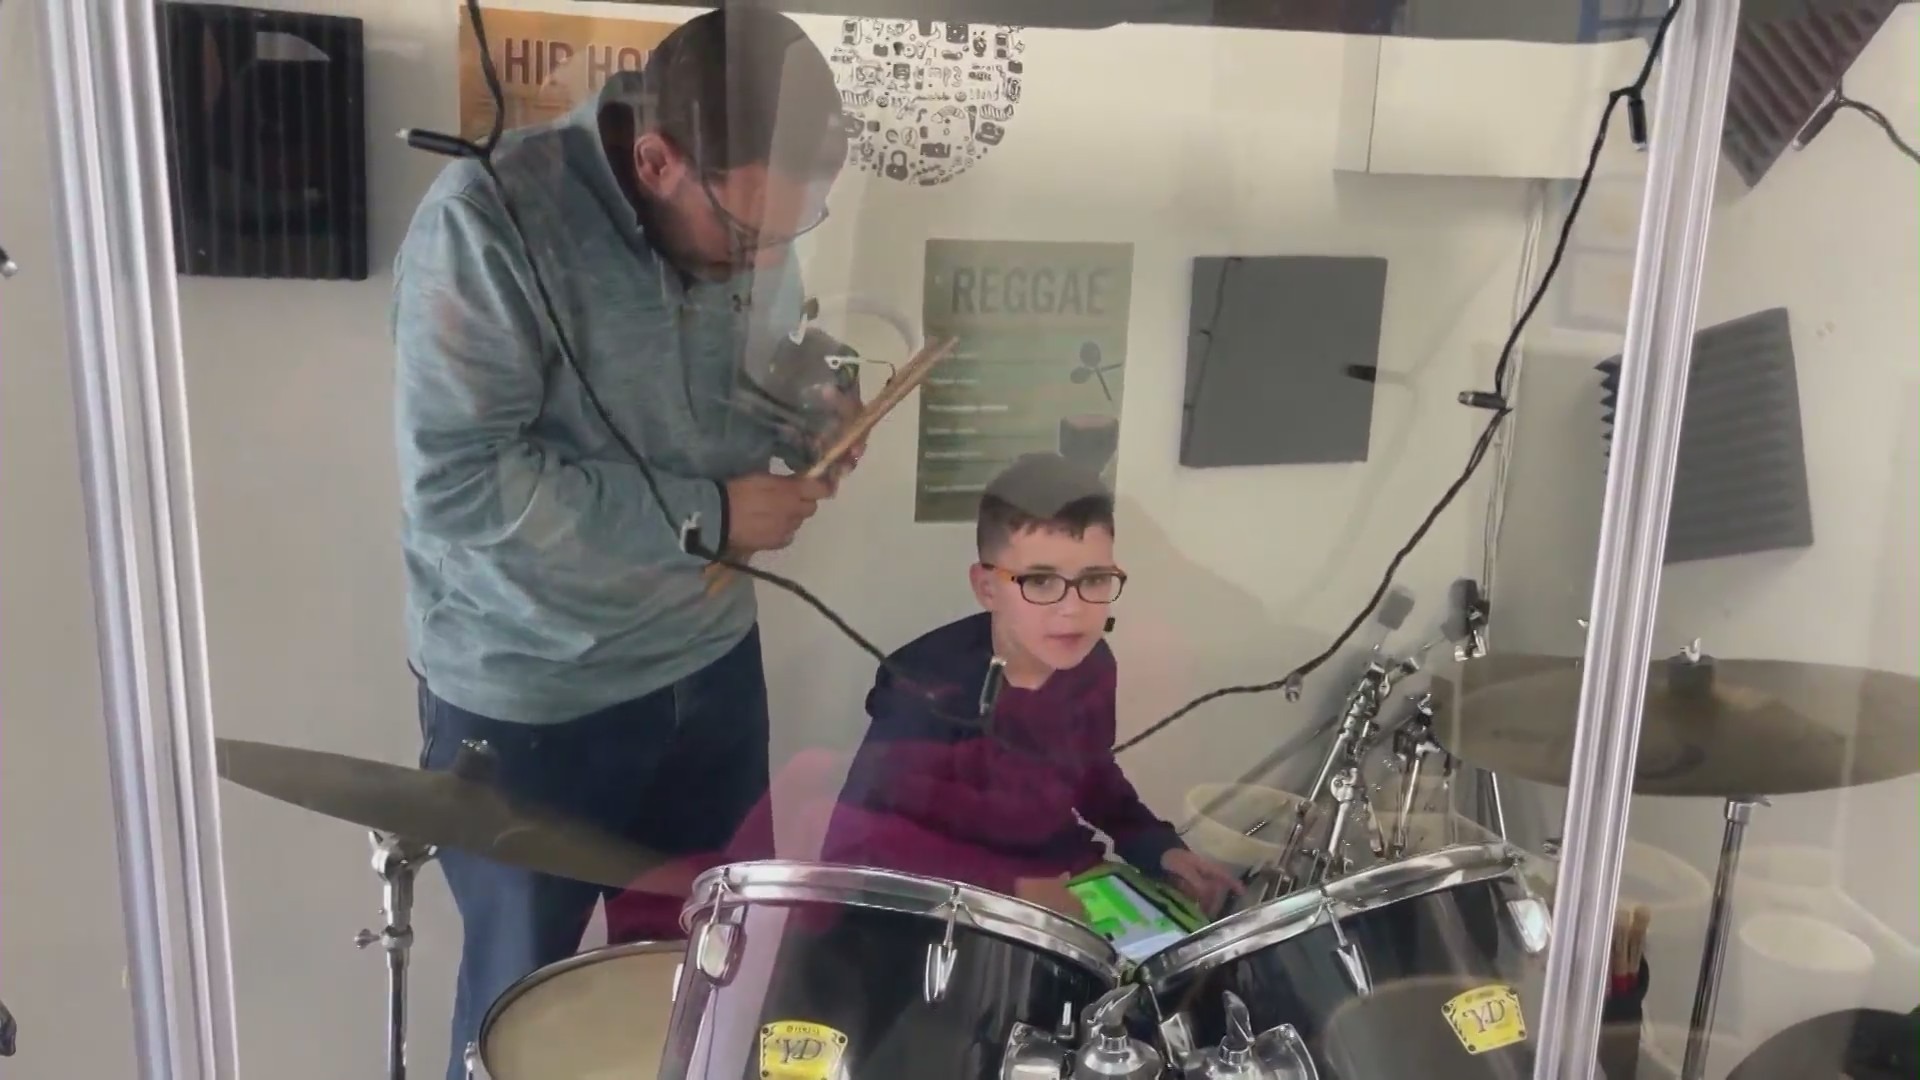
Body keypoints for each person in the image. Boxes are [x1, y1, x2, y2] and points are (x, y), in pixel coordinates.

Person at [390, 10, 851, 1076]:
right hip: (534, 702)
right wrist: (718, 518)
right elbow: (460, 487)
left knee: (709, 992)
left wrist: (812, 401)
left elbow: (752, 365)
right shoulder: (487, 226)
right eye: (746, 238)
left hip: (707, 672)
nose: (766, 259)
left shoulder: (743, 210)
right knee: (521, 1019)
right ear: (656, 160)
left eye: (794, 231)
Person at [821, 453, 1242, 915]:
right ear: (986, 588)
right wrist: (1011, 887)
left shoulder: (1093, 664)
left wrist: (1159, 848)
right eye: (1041, 581)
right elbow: (862, 845)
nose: (1073, 608)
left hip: (1066, 877)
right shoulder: (927, 687)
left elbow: (1091, 775)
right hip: (952, 907)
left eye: (1094, 580)